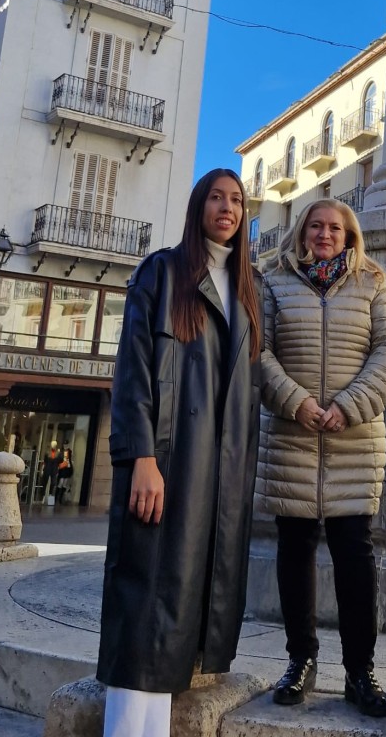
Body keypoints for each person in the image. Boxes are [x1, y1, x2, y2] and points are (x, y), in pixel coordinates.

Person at [97, 169, 262, 737]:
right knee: (145, 593)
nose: (228, 207)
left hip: (217, 473)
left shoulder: (247, 291)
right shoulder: (162, 273)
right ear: (198, 208)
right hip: (166, 461)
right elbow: (133, 372)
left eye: (237, 200)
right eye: (217, 197)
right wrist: (141, 456)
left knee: (178, 604)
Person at [257, 199, 386, 718]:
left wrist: (347, 406)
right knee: (294, 551)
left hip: (353, 438)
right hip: (292, 436)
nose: (324, 234)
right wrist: (297, 403)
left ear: (349, 236)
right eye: (316, 226)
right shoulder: (273, 281)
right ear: (302, 232)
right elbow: (260, 351)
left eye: (334, 228)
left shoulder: (373, 283)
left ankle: (360, 672)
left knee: (354, 555)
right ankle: (300, 661)